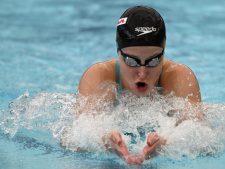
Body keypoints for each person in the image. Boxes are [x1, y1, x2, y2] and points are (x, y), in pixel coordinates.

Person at [78, 5, 202, 164]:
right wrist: (103, 140)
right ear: (118, 53)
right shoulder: (100, 76)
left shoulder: (179, 77)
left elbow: (199, 133)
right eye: (131, 61)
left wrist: (167, 144)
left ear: (163, 54)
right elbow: (78, 133)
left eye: (153, 60)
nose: (142, 72)